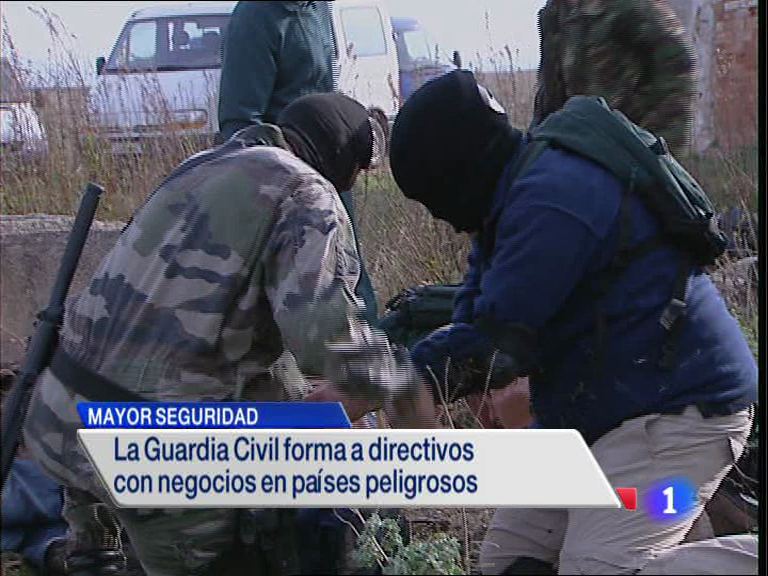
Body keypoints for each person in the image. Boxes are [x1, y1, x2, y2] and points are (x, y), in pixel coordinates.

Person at [21, 92, 429, 576]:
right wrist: (403, 381)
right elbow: (326, 340)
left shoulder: (200, 168)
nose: (354, 186)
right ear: (342, 159)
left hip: (59, 418)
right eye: (357, 173)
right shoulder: (306, 192)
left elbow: (234, 338)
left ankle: (93, 554)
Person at [383, 70, 757, 575]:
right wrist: (417, 374)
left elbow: (499, 342)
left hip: (679, 411)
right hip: (593, 418)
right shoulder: (505, 205)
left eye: (433, 198)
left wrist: (416, 380)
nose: (439, 218)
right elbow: (474, 317)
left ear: (458, 173)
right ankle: (666, 530)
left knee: (597, 568)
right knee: (510, 563)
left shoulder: (554, 196)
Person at [217, 0, 378, 325]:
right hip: (284, 186)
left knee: (351, 283)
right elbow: (240, 125)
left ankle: (374, 350)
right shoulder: (256, 17)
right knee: (300, 302)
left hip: (333, 172)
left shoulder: (319, 8)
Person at [531, 0, 696, 157]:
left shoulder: (628, 5)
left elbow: (677, 64)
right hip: (570, 150)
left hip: (627, 150)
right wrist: (535, 142)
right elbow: (550, 89)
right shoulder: (554, 12)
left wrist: (658, 151)